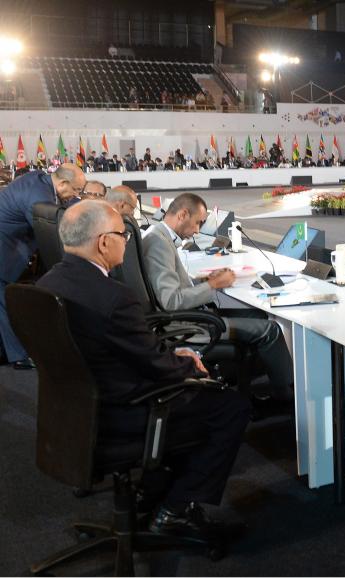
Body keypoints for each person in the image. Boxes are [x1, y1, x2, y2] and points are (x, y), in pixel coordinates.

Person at [36, 200, 250, 540]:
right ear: (103, 242)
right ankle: (175, 511)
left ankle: (152, 492)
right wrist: (189, 363)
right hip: (121, 412)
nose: (126, 242)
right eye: (122, 235)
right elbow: (157, 366)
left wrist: (168, 356)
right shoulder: (113, 297)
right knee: (230, 407)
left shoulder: (47, 284)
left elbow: (120, 349)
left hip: (71, 412)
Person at [140, 193, 294, 401]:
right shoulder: (159, 243)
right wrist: (213, 285)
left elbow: (171, 288)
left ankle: (253, 389)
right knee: (271, 330)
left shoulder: (158, 235)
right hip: (186, 326)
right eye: (197, 223)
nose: (197, 231)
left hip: (189, 317)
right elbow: (171, 301)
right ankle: (286, 398)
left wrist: (206, 282)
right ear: (183, 214)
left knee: (256, 315)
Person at [0, 163, 84, 368]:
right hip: (5, 249)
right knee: (3, 302)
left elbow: (64, 207)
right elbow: (52, 237)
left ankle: (13, 353)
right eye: (75, 190)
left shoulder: (41, 180)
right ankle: (19, 357)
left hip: (10, 247)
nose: (76, 195)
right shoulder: (38, 197)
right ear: (63, 183)